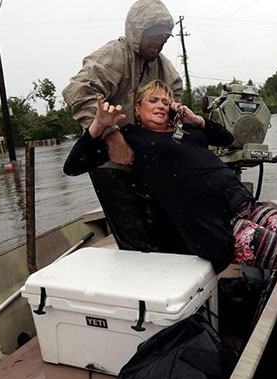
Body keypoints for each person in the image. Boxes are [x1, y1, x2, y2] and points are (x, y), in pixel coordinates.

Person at [63, 80, 277, 310]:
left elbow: (228, 139)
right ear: (138, 109)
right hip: (217, 228)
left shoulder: (188, 131)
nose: (161, 105)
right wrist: (98, 126)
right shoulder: (132, 139)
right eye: (152, 100)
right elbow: (72, 166)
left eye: (166, 101)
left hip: (244, 206)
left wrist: (198, 121)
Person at [62, 0, 185, 252]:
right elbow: (78, 91)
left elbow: (175, 102)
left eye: (164, 36)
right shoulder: (116, 54)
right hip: (109, 161)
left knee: (167, 226)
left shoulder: (165, 67)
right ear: (137, 31)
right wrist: (111, 137)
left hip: (146, 159)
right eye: (153, 34)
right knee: (137, 238)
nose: (159, 41)